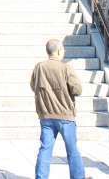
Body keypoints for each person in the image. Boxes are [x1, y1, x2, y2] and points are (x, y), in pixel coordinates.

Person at [30, 38, 84, 179]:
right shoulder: (66, 68)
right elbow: (77, 90)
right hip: (66, 116)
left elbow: (32, 86)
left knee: (45, 149)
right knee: (72, 151)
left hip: (46, 116)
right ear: (59, 51)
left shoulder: (39, 67)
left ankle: (41, 177)